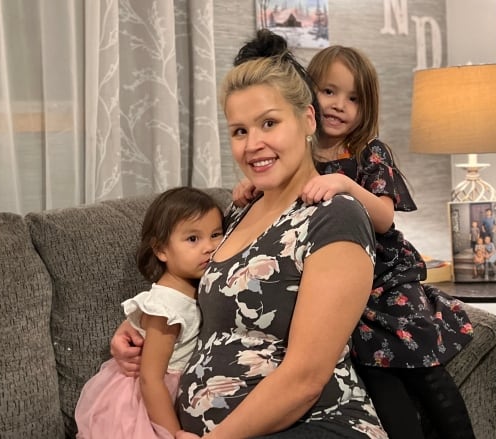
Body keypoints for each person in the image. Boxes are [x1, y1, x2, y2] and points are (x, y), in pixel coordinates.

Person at [112, 29, 387, 439]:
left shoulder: (334, 216)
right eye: (239, 131)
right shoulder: (238, 211)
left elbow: (306, 377)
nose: (253, 143)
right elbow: (197, 297)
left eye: (269, 123)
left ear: (308, 119)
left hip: (318, 424)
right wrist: (138, 328)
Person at [234, 44, 475, 439]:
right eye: (329, 91)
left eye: (353, 98)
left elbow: (383, 217)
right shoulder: (300, 152)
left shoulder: (367, 153)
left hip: (387, 287)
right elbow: (277, 189)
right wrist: (250, 185)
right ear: (308, 97)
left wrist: (345, 184)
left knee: (428, 378)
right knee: (382, 389)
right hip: (342, 297)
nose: (339, 105)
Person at [74, 187, 225, 439]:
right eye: (192, 239)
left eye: (216, 234)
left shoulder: (191, 288)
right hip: (144, 404)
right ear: (161, 250)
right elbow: (151, 380)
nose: (208, 247)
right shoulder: (167, 308)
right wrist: (174, 434)